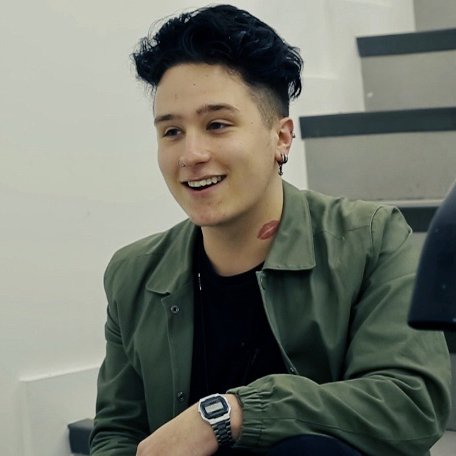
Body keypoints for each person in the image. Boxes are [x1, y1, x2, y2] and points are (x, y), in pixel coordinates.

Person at [89, 4, 451, 456]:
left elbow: (411, 403)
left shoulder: (370, 239)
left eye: (217, 125)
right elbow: (116, 433)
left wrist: (232, 414)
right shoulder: (132, 274)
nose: (191, 155)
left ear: (281, 137)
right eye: (172, 132)